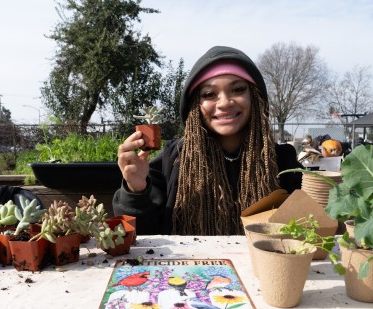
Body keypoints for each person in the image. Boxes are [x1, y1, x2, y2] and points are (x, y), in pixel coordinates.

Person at [113, 45, 303, 235]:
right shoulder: (171, 160)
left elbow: (306, 232)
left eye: (237, 89)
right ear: (196, 104)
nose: (224, 103)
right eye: (209, 94)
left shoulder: (283, 161)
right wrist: (135, 191)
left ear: (255, 97)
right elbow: (144, 239)